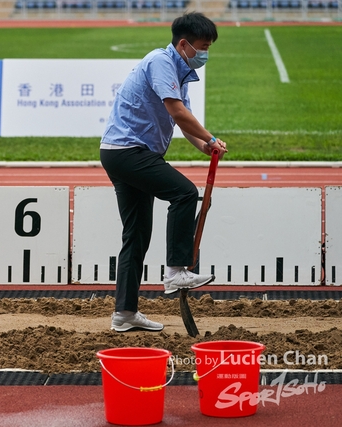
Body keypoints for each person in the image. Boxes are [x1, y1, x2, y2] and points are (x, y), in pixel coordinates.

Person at [100, 12, 228, 333]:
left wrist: (203, 146)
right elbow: (177, 111)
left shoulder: (179, 72)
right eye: (202, 46)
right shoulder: (160, 61)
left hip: (123, 153)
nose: (205, 54)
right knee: (184, 193)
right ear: (183, 44)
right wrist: (211, 137)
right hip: (129, 152)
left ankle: (125, 313)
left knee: (136, 237)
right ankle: (176, 271)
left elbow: (182, 120)